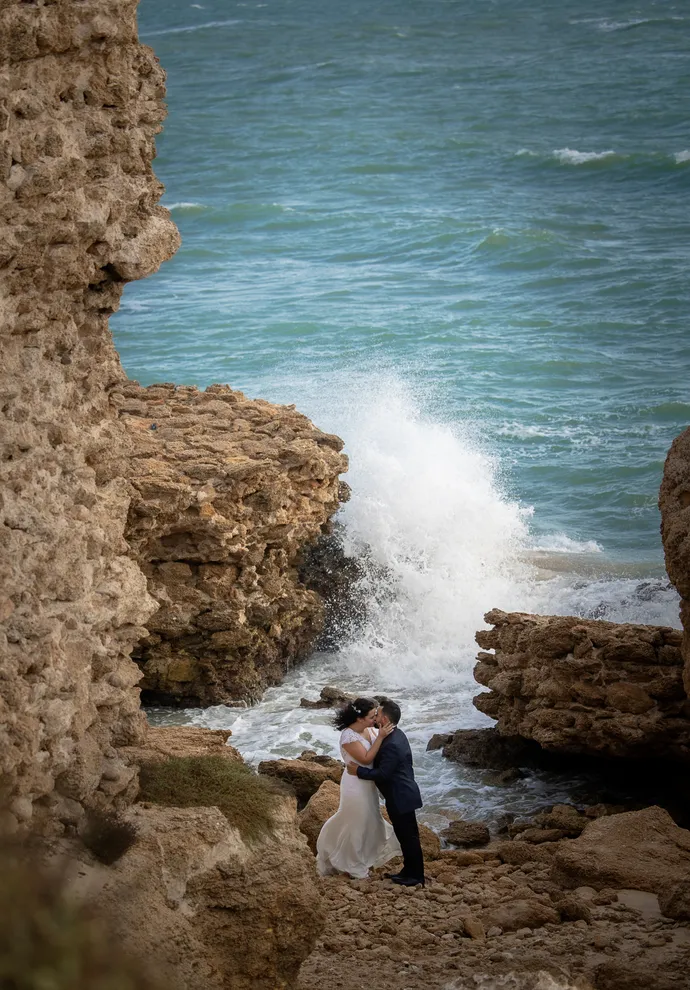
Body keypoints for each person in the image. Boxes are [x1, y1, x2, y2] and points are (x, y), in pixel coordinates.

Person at [316, 697, 401, 879]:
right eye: (372, 716)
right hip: (355, 785)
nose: (375, 720)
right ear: (360, 718)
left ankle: (361, 857)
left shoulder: (368, 730)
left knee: (370, 820)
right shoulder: (348, 736)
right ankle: (351, 864)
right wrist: (380, 737)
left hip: (368, 783)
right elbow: (366, 759)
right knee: (356, 822)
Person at [346, 697, 425, 887]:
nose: (375, 717)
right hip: (403, 793)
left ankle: (415, 876)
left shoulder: (391, 744)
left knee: (409, 837)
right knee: (407, 836)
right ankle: (410, 871)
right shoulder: (395, 735)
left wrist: (358, 771)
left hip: (401, 796)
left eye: (378, 714)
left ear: (385, 720)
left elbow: (383, 774)